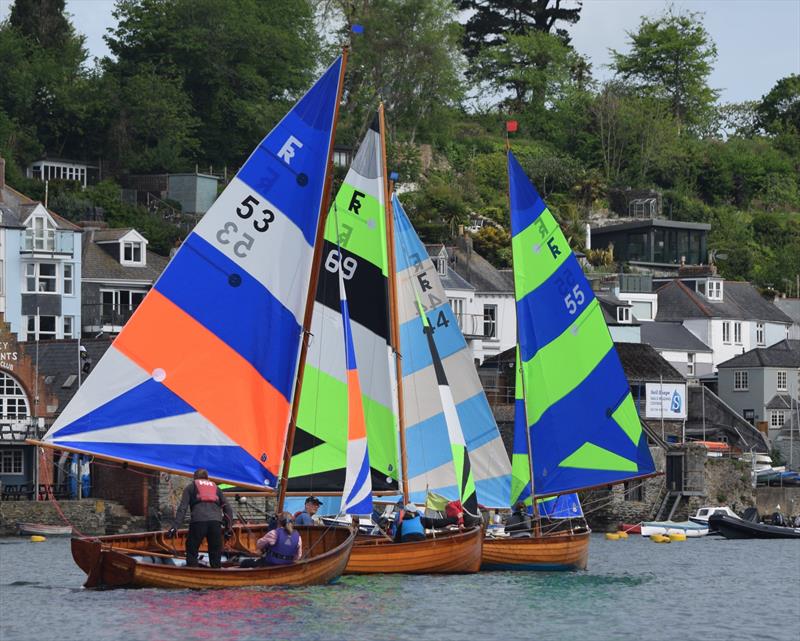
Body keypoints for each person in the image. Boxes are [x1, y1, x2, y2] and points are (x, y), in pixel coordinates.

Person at [167, 469, 233, 568]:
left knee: (191, 549)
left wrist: (175, 526)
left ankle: (193, 572)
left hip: (198, 522)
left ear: (195, 478)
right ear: (207, 478)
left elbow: (182, 508)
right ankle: (217, 575)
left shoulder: (191, 487)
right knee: (215, 553)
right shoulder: (216, 488)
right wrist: (228, 527)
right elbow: (228, 509)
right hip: (215, 523)